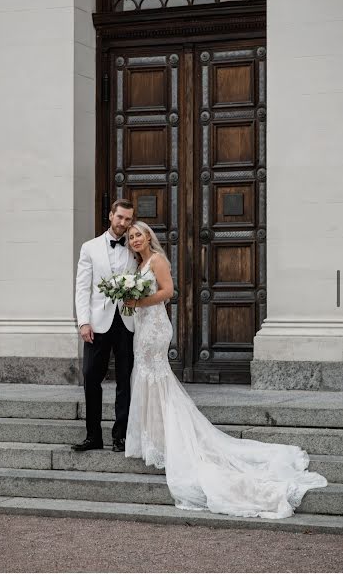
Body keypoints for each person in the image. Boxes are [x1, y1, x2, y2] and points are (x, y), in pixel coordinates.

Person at [124, 221, 327, 519]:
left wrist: (138, 300)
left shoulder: (157, 260)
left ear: (148, 237)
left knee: (157, 378)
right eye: (130, 237)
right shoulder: (137, 265)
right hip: (142, 328)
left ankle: (168, 439)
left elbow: (168, 291)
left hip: (155, 328)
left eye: (138, 235)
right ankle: (153, 438)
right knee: (145, 378)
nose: (134, 240)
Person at [73, 199, 136, 453]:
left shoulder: (135, 245)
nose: (123, 223)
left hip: (127, 320)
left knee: (125, 380)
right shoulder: (90, 248)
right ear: (110, 216)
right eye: (119, 217)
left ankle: (120, 435)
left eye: (128, 219)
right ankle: (93, 436)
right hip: (97, 323)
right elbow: (82, 287)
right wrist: (83, 321)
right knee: (91, 377)